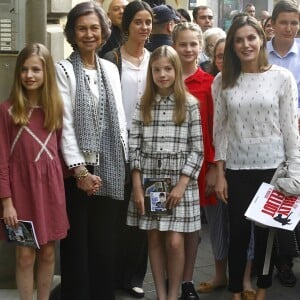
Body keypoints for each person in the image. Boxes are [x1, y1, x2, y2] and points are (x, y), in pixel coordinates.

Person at [213, 14, 300, 300]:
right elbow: (221, 130)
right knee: (238, 234)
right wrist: (221, 173)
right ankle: (236, 291)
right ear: (232, 46)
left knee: (267, 237)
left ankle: (261, 290)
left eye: (251, 37)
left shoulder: (283, 78)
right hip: (237, 170)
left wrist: (296, 170)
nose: (245, 44)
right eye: (238, 40)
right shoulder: (222, 80)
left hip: (273, 170)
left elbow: (290, 128)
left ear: (262, 38)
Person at [55, 2, 128, 300]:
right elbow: (65, 124)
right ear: (72, 32)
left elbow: (119, 118)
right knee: (77, 245)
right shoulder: (62, 69)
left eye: (94, 28)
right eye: (82, 28)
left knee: (105, 242)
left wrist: (124, 160)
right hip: (79, 171)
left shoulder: (110, 67)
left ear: (103, 32)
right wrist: (80, 171)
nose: (88, 34)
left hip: (110, 165)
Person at [127, 45, 203, 300]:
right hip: (151, 181)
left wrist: (182, 184)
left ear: (176, 70)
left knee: (174, 241)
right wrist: (137, 186)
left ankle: (173, 293)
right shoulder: (143, 104)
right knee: (155, 239)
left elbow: (197, 149)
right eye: (157, 69)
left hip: (180, 182)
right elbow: (134, 146)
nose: (162, 74)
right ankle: (160, 294)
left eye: (168, 69)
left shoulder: (189, 104)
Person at [0, 43, 69, 300]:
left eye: (36, 70)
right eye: (25, 69)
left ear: (46, 73)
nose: (29, 75)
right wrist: (7, 203)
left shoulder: (56, 109)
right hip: (21, 194)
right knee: (26, 255)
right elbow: (1, 161)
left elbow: (63, 152)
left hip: (50, 192)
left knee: (49, 252)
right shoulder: (6, 111)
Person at [104, 1, 152, 297]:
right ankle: (112, 273)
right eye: (139, 22)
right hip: (117, 144)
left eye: (148, 22)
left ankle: (135, 274)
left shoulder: (156, 57)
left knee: (142, 211)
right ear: (127, 26)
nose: (145, 27)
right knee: (115, 211)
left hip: (148, 145)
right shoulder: (111, 59)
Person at [172, 21, 215, 300]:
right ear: (174, 46)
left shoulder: (210, 84)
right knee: (167, 230)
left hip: (198, 166)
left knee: (191, 228)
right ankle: (170, 277)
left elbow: (214, 128)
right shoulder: (164, 78)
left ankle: (186, 281)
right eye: (182, 44)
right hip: (168, 164)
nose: (188, 49)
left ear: (200, 47)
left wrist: (212, 167)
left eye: (193, 44)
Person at [266, 0, 300, 287]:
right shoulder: (261, 54)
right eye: (284, 22)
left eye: (294, 22)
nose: (289, 28)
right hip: (270, 139)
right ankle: (282, 261)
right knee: (280, 197)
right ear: (273, 24)